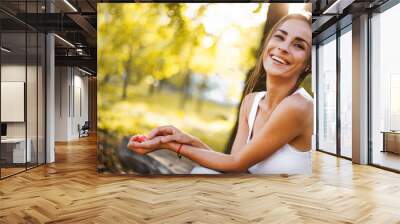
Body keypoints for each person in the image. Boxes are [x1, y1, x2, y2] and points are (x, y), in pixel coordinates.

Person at [127, 13, 313, 175]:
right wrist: (187, 139)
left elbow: (235, 164)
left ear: (308, 64)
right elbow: (236, 165)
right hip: (258, 199)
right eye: (280, 37)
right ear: (267, 43)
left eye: (299, 45)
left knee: (201, 174)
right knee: (203, 173)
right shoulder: (251, 102)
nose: (283, 47)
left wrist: (168, 145)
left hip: (288, 206)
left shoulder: (300, 106)